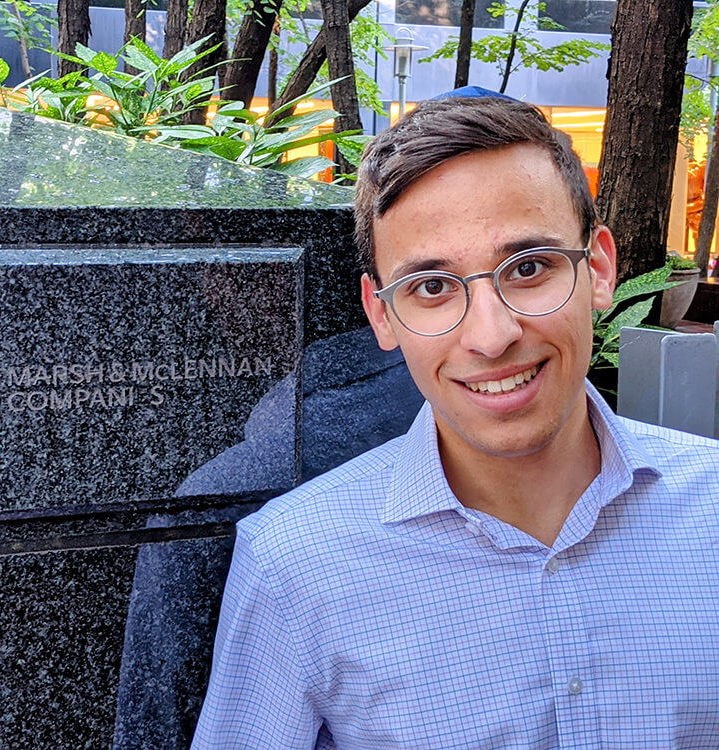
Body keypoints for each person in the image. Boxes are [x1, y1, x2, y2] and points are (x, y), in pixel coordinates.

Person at [192, 93, 719, 748]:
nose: (491, 336)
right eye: (433, 287)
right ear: (382, 314)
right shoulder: (293, 566)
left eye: (529, 268)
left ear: (600, 270)